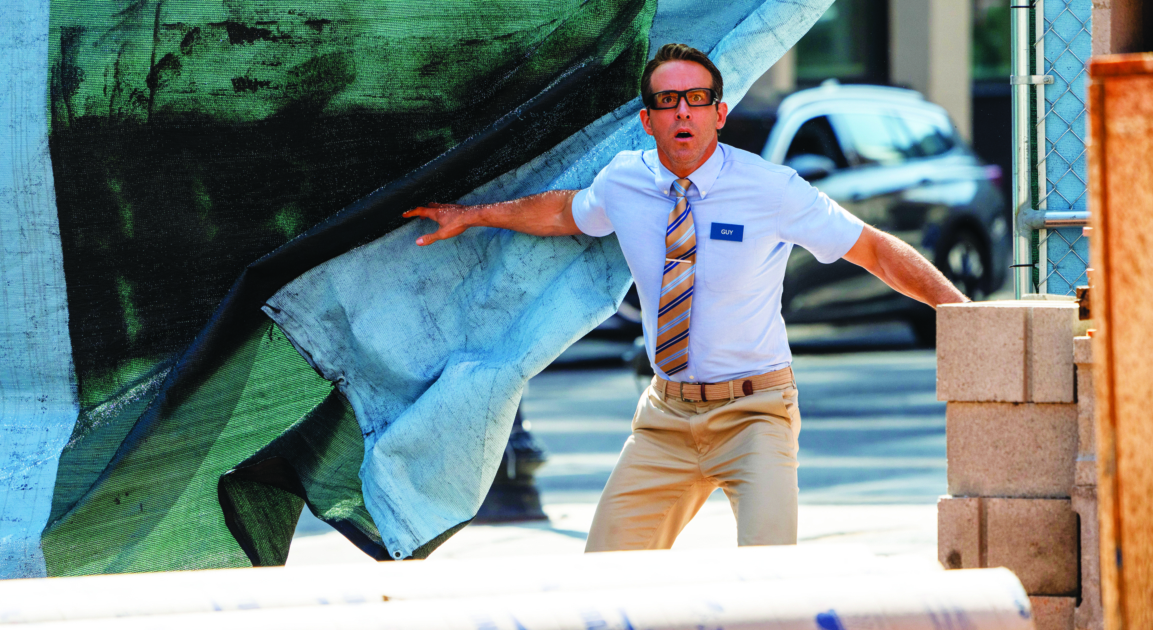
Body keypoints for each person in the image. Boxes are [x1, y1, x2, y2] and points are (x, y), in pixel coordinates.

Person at [404, 43, 969, 551]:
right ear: (647, 120)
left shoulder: (770, 189)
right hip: (666, 417)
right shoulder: (624, 181)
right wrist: (474, 215)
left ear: (718, 113)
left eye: (697, 99)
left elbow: (873, 249)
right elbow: (562, 212)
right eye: (668, 101)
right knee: (604, 577)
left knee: (770, 581)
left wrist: (963, 315)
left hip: (755, 412)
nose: (682, 112)